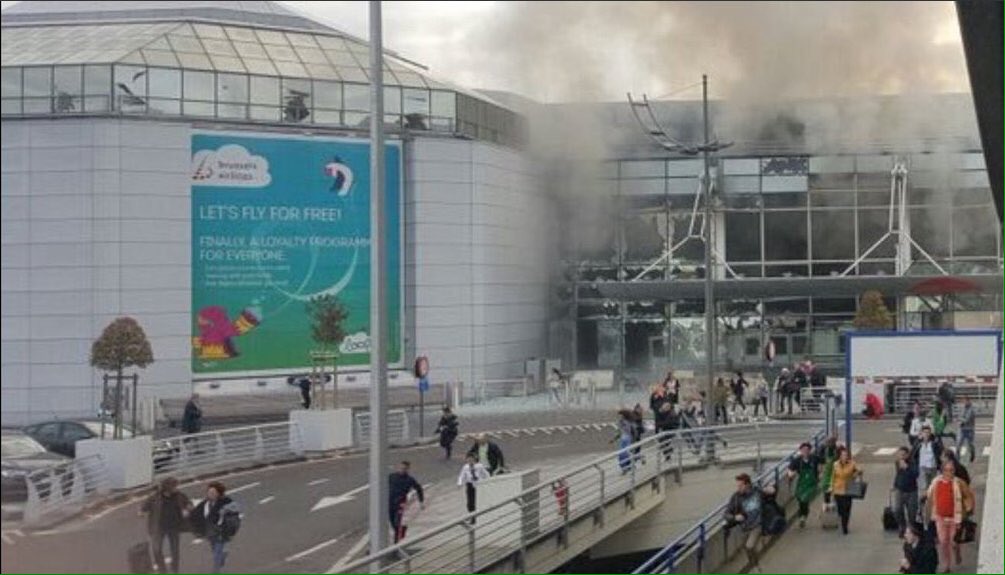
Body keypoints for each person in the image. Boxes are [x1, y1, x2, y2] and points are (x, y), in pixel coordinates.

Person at [926, 460, 975, 573]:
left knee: (953, 542)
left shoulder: (959, 483)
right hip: (940, 517)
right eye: (946, 470)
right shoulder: (936, 482)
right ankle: (946, 566)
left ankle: (957, 552)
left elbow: (968, 496)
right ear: (942, 471)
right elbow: (930, 496)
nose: (949, 473)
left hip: (955, 518)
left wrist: (968, 509)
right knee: (943, 542)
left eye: (951, 470)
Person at [140, 477, 193, 574]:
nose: (176, 488)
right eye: (174, 487)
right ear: (167, 488)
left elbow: (189, 503)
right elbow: (143, 508)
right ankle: (162, 570)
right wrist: (141, 513)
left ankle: (174, 570)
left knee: (175, 551)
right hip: (158, 528)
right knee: (156, 550)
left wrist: (188, 509)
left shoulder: (179, 496)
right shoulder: (155, 497)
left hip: (174, 527)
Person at [190, 481, 241, 574]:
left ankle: (216, 571)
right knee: (215, 552)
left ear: (218, 493)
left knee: (217, 554)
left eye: (213, 492)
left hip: (221, 531)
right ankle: (223, 556)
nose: (211, 494)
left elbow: (235, 510)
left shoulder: (225, 502)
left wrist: (226, 511)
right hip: (210, 533)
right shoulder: (204, 504)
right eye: (209, 492)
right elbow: (195, 514)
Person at [723, 473, 763, 571]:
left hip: (757, 525)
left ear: (747, 485)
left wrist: (773, 489)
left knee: (749, 546)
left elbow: (768, 495)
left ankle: (755, 568)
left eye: (740, 485)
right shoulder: (736, 497)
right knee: (747, 549)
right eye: (738, 486)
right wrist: (735, 517)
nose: (738, 488)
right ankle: (755, 565)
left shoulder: (756, 491)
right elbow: (726, 514)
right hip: (744, 527)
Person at [829, 446, 864, 535]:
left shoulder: (852, 464)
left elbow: (860, 470)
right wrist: (831, 487)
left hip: (848, 488)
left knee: (847, 508)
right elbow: (833, 477)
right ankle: (842, 519)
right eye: (843, 455)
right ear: (840, 456)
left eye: (846, 455)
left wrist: (856, 474)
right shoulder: (835, 464)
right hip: (838, 489)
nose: (844, 457)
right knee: (841, 508)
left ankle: (845, 525)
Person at [388, 461, 425, 543]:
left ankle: (396, 543)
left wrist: (421, 501)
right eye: (401, 468)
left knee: (397, 522)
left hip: (400, 503)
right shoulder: (392, 476)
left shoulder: (409, 480)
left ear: (408, 469)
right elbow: (383, 486)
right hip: (390, 502)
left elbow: (419, 488)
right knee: (392, 522)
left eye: (404, 469)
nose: (402, 470)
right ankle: (402, 530)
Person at [785, 442, 820, 528]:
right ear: (800, 450)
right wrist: (790, 474)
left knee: (805, 499)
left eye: (807, 450)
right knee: (801, 500)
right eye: (803, 450)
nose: (805, 452)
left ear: (810, 450)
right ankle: (803, 515)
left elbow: (825, 460)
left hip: (811, 483)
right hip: (801, 484)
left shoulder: (814, 458)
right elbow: (790, 469)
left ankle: (802, 517)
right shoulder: (797, 460)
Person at [892, 446, 920, 537]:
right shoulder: (897, 463)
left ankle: (911, 527)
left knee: (912, 512)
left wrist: (907, 467)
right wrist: (895, 485)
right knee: (897, 509)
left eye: (903, 455)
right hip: (900, 489)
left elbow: (916, 474)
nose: (901, 457)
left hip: (911, 491)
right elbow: (898, 475)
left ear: (907, 455)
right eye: (900, 455)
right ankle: (902, 526)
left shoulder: (912, 463)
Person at [457, 453, 489, 521]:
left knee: (476, 501)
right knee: (470, 503)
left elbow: (485, 474)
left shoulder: (479, 466)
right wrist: (460, 483)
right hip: (470, 485)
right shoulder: (465, 467)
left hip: (478, 484)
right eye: (468, 459)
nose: (470, 461)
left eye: (471, 459)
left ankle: (475, 516)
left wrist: (487, 481)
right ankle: (471, 515)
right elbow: (461, 475)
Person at [913, 425, 943, 497]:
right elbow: (913, 452)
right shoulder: (919, 444)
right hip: (923, 467)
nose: (926, 434)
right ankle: (924, 501)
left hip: (933, 467)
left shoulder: (934, 443)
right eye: (925, 432)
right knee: (924, 485)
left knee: (932, 485)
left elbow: (940, 452)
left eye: (928, 432)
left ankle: (931, 499)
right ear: (922, 434)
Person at [817, 435, 840, 505]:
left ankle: (834, 501)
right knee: (826, 486)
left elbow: (839, 458)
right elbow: (820, 460)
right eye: (828, 442)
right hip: (826, 469)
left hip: (835, 468)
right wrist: (820, 471)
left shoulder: (837, 448)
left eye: (832, 442)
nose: (830, 444)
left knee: (835, 485)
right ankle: (826, 502)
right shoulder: (823, 448)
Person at [958, 397, 976, 463]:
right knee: (959, 444)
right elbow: (959, 416)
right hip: (962, 429)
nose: (964, 403)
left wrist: (961, 420)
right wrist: (961, 419)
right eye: (963, 401)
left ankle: (972, 454)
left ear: (968, 401)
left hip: (969, 429)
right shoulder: (963, 408)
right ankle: (957, 458)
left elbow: (968, 419)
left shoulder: (971, 409)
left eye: (965, 401)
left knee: (970, 444)